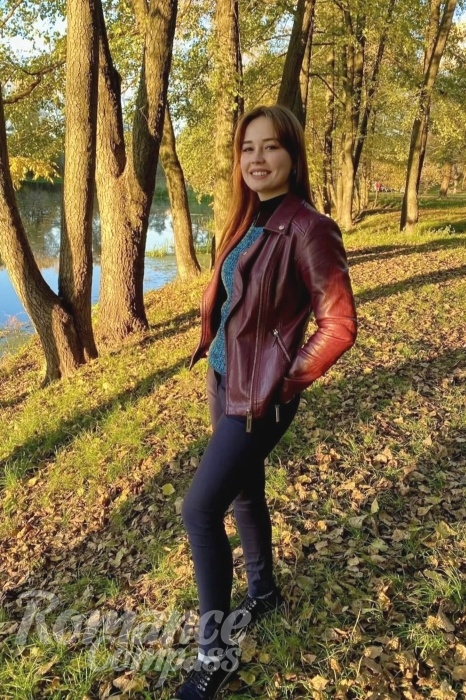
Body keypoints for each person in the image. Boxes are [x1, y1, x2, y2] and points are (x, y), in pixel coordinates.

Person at [174, 104, 357, 700]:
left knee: (199, 510)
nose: (257, 158)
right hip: (224, 382)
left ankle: (215, 653)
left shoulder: (309, 227)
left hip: (261, 396)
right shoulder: (248, 216)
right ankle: (264, 592)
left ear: (292, 156)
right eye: (248, 148)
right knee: (244, 492)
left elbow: (340, 326)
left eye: (271, 146)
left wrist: (284, 383)